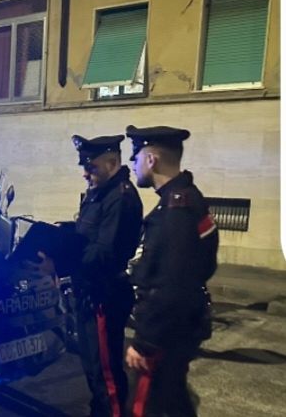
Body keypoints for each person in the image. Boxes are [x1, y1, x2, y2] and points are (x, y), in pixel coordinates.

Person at [124, 125, 218, 417]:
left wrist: (144, 343)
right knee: (173, 401)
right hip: (180, 329)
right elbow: (205, 266)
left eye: (136, 158)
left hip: (164, 335)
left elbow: (171, 284)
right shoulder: (188, 198)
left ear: (151, 160)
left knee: (142, 408)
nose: (133, 165)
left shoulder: (175, 211)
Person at [70, 134, 143, 417]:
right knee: (92, 367)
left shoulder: (120, 198)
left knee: (106, 374)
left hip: (104, 294)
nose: (85, 173)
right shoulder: (99, 193)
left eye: (91, 167)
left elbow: (104, 252)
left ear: (112, 163)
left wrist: (63, 263)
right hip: (89, 291)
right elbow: (84, 237)